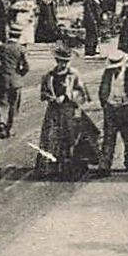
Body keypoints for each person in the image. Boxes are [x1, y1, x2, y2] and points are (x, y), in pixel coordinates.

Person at [36, 47, 93, 180]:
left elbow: (83, 93)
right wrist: (49, 97)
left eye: (66, 62)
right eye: (61, 61)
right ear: (57, 61)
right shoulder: (49, 76)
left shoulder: (74, 74)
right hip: (53, 111)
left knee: (72, 137)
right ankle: (50, 168)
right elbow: (43, 93)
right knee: (50, 137)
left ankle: (73, 167)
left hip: (70, 110)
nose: (64, 64)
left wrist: (67, 97)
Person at [97, 49, 128, 173]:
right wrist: (106, 105)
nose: (115, 69)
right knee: (108, 139)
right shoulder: (107, 73)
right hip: (111, 109)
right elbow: (102, 90)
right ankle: (105, 166)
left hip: (126, 110)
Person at [0, 26, 30, 139]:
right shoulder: (21, 49)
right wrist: (20, 74)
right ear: (19, 36)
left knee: (2, 103)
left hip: (3, 79)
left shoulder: (2, 47)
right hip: (16, 80)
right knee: (14, 105)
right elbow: (27, 66)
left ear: (9, 34)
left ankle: (1, 123)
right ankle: (10, 128)